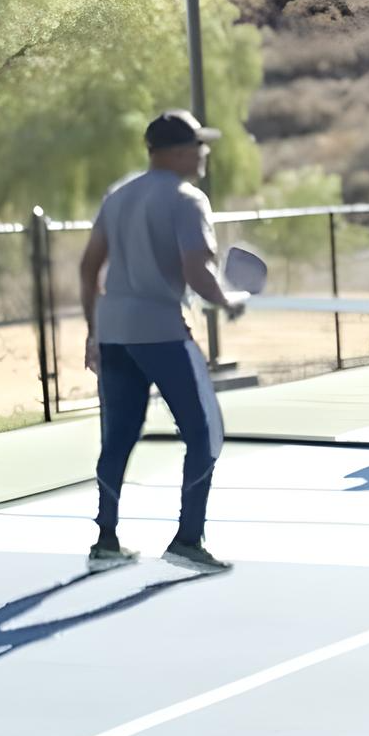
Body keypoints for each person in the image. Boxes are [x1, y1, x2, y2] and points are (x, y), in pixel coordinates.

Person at [80, 110, 248, 575]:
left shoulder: (119, 196)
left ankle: (106, 539)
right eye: (198, 145)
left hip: (114, 331)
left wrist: (94, 331)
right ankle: (188, 539)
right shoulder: (187, 199)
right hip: (159, 329)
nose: (203, 154)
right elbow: (197, 270)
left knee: (117, 438)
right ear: (176, 152)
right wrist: (227, 300)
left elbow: (88, 267)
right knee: (205, 432)